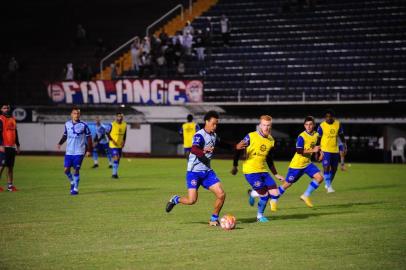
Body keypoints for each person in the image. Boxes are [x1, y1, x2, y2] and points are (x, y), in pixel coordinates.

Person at [166, 111, 226, 227]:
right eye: (213, 124)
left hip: (207, 172)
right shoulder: (199, 135)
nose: (215, 126)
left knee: (221, 194)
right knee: (192, 201)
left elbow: (222, 144)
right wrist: (204, 151)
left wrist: (236, 146)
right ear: (207, 122)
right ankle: (175, 199)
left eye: (217, 124)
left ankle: (214, 219)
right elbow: (194, 149)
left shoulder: (214, 136)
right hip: (194, 173)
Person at [231, 115, 285, 222]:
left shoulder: (271, 140)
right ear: (260, 125)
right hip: (250, 171)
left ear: (271, 126)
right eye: (264, 125)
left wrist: (275, 174)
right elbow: (238, 149)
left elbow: (269, 159)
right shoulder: (250, 137)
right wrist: (235, 165)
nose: (266, 128)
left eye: (268, 125)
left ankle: (252, 193)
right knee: (265, 196)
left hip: (263, 170)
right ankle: (259, 216)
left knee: (275, 193)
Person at [275, 116, 324, 208]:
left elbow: (318, 145)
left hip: (307, 164)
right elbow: (299, 151)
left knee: (320, 178)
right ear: (304, 126)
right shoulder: (301, 136)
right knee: (287, 184)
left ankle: (305, 195)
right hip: (297, 165)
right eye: (306, 125)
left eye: (310, 124)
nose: (308, 126)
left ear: (313, 125)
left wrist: (321, 153)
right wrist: (313, 150)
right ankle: (274, 198)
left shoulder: (316, 135)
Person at [57, 107, 92, 195]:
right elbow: (65, 135)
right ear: (71, 114)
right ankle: (72, 182)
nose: (76, 115)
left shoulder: (84, 125)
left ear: (79, 115)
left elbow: (89, 138)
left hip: (79, 151)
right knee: (66, 170)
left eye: (78, 113)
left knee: (76, 169)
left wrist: (88, 150)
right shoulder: (67, 124)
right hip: (69, 152)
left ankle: (75, 188)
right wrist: (60, 143)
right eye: (75, 113)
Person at [317, 109, 347, 193]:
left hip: (335, 150)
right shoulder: (322, 125)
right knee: (326, 167)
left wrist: (344, 144)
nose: (328, 118)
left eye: (330, 117)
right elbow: (318, 138)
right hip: (325, 150)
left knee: (334, 169)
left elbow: (341, 135)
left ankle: (328, 183)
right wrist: (318, 150)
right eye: (326, 117)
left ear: (333, 117)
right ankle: (328, 186)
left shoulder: (337, 124)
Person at [0, 105, 20, 192]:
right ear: (1, 109)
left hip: (12, 147)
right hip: (4, 146)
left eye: (7, 108)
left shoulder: (12, 119)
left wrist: (18, 145)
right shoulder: (0, 119)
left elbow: (16, 132)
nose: (6, 109)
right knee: (1, 166)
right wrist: (0, 144)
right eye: (4, 108)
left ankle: (10, 186)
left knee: (10, 167)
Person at [107, 112, 127, 179]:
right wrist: (112, 140)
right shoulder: (112, 124)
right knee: (116, 157)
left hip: (119, 145)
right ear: (116, 117)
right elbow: (107, 133)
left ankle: (115, 173)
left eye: (121, 116)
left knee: (118, 160)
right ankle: (114, 175)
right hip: (113, 145)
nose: (120, 117)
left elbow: (124, 134)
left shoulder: (124, 125)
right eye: (118, 116)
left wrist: (124, 141)